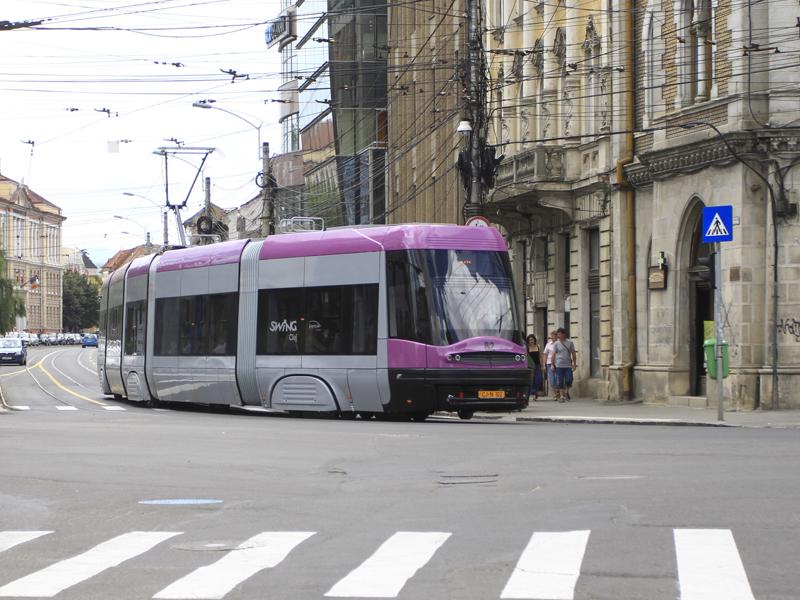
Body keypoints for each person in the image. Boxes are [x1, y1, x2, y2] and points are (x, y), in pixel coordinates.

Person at [553, 327, 577, 402]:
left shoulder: (570, 343)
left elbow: (573, 353)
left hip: (567, 365)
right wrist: (552, 364)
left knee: (569, 379)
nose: (558, 336)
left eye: (559, 334)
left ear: (564, 334)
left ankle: (566, 391)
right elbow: (553, 354)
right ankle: (562, 396)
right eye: (557, 334)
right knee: (560, 381)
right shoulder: (556, 343)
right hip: (559, 365)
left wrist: (574, 364)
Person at [526, 334, 543, 401]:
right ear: (528, 341)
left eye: (532, 339)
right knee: (532, 380)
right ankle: (534, 393)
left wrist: (542, 366)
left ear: (534, 340)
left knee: (538, 379)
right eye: (530, 340)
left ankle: (535, 391)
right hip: (530, 366)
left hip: (538, 365)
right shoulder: (527, 348)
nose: (531, 341)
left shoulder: (538, 346)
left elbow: (540, 356)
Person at [542, 330, 558, 400]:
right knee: (552, 379)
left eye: (554, 336)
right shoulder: (548, 344)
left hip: (558, 363)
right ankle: (555, 394)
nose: (552, 337)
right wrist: (544, 364)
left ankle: (559, 393)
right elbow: (545, 354)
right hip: (549, 363)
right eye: (551, 336)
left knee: (558, 378)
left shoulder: (559, 344)